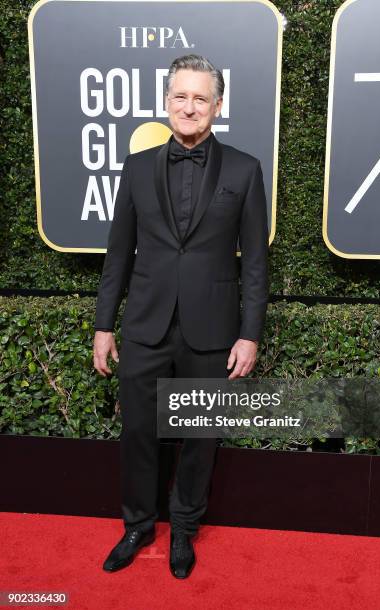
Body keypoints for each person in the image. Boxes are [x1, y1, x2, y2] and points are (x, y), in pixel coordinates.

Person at [93, 54, 269, 578]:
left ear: (218, 105)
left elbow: (256, 262)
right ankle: (138, 524)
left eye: (200, 98)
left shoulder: (244, 169)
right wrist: (105, 324)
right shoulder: (137, 168)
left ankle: (185, 529)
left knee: (199, 436)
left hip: (212, 330)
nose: (189, 107)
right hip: (146, 324)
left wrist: (250, 334)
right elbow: (118, 255)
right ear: (166, 102)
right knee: (139, 433)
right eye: (180, 97)